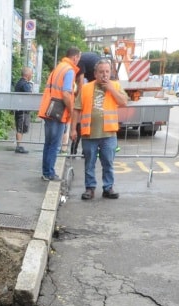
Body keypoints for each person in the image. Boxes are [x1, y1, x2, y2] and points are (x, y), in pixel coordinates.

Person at [70, 58, 128, 200]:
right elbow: (77, 110)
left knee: (108, 162)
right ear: (95, 73)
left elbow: (123, 102)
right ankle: (90, 188)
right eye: (101, 72)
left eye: (107, 71)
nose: (104, 75)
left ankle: (108, 188)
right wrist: (73, 130)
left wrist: (111, 89)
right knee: (89, 163)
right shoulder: (86, 88)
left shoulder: (115, 86)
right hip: (89, 134)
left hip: (108, 134)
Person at [38, 46, 81, 181]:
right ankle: (49, 173)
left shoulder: (59, 67)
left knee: (49, 143)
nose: (78, 61)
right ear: (75, 57)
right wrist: (72, 108)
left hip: (49, 109)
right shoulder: (69, 70)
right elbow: (66, 93)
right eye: (79, 58)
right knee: (54, 145)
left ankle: (46, 172)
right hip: (58, 111)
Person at [13, 66, 33, 154]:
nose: (32, 75)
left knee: (19, 127)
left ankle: (19, 145)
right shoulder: (25, 84)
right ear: (28, 75)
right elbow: (29, 95)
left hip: (19, 109)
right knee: (20, 128)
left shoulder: (18, 83)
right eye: (31, 74)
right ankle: (19, 146)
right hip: (22, 110)